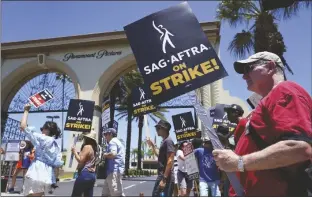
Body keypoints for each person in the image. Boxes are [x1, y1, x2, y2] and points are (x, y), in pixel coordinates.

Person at [212, 51, 312, 196]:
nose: (244, 76)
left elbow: (297, 148)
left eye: (249, 69)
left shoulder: (284, 90)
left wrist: (239, 162)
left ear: (270, 67)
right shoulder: (268, 101)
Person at [20, 103, 64, 196]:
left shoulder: (42, 139)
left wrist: (26, 110)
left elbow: (23, 126)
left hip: (36, 171)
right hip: (47, 174)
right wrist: (54, 178)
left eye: (43, 129)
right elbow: (58, 164)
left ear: (47, 130)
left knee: (29, 195)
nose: (41, 131)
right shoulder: (57, 146)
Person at [146, 120, 175, 197]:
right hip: (163, 176)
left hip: (166, 177)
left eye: (158, 128)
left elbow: (170, 160)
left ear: (164, 129)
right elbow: (158, 155)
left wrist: (164, 179)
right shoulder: (164, 141)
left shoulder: (168, 141)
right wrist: (153, 145)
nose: (156, 130)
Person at [71, 130, 97, 197]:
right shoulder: (94, 148)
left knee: (76, 195)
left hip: (85, 173)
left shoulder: (87, 147)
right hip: (92, 175)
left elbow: (80, 160)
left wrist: (74, 152)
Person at [101, 128, 125, 197]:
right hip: (113, 172)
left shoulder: (113, 142)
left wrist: (104, 154)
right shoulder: (118, 142)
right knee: (105, 194)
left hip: (114, 171)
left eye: (106, 134)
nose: (105, 136)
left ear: (110, 134)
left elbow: (113, 154)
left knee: (116, 194)